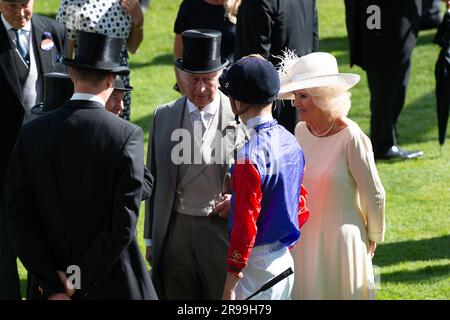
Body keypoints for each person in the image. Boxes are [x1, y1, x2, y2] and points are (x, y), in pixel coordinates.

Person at [6, 31, 157, 300]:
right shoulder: (126, 135)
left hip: (49, 287)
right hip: (110, 283)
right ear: (111, 79)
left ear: (72, 75)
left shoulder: (31, 133)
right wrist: (77, 278)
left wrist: (54, 284)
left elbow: (20, 219)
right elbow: (123, 224)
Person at [144, 29, 244, 299]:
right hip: (175, 230)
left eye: (207, 80)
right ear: (181, 77)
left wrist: (238, 199)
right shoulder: (162, 116)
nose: (200, 88)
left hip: (220, 230)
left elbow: (260, 175)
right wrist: (151, 238)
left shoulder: (239, 115)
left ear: (220, 76)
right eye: (193, 79)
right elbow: (153, 179)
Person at [277, 52, 386, 299]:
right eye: (295, 96)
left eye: (303, 96)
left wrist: (373, 235)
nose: (296, 103)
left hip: (342, 242)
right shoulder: (300, 131)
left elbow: (374, 193)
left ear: (322, 95)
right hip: (305, 239)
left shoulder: (352, 137)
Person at [218, 55, 308, 300]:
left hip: (255, 272)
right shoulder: (291, 142)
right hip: (284, 262)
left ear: (238, 102)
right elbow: (298, 203)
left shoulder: (247, 158)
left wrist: (229, 287)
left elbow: (244, 229)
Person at [0, 0, 67, 300]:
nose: (20, 12)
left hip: (47, 163)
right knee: (4, 249)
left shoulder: (52, 31)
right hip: (3, 167)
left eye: (25, 3)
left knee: (49, 243)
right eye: (11, 4)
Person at [344, 0, 424, 160]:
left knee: (394, 82)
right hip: (382, 20)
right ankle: (383, 143)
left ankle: (386, 138)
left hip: (386, 19)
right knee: (387, 81)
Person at [234, 0, 319, 134]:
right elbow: (313, 44)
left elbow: (254, 64)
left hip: (268, 107)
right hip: (301, 97)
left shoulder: (257, 3)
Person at [56, 0, 145, 121]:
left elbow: (133, 47)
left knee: (118, 130)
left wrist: (139, 22)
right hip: (90, 79)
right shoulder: (72, 3)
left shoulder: (124, 1)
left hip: (119, 77)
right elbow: (65, 53)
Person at [173, 0, 241, 94]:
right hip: (199, 86)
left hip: (234, 86)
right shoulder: (190, 5)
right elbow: (179, 53)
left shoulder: (243, 5)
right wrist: (185, 93)